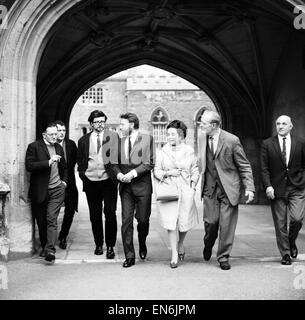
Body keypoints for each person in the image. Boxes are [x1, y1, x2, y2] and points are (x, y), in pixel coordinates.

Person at [199, 110, 255, 270]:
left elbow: (244, 165)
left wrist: (249, 188)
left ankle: (223, 257)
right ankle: (208, 244)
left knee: (226, 226)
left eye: (204, 123)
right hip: (210, 189)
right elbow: (202, 161)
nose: (201, 125)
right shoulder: (202, 137)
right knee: (211, 223)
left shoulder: (232, 140)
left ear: (214, 125)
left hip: (228, 189)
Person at [154, 120, 199, 268]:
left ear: (181, 136)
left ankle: (180, 243)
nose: (169, 137)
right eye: (168, 134)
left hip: (185, 189)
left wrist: (193, 184)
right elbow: (157, 171)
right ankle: (174, 252)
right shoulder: (162, 151)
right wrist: (168, 173)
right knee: (171, 222)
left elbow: (195, 169)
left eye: (172, 134)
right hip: (169, 189)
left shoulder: (189, 151)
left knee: (184, 221)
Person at [261, 115, 305, 265]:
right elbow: (264, 168)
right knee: (280, 224)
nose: (280, 126)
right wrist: (268, 186)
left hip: (297, 187)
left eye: (284, 124)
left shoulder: (300, 143)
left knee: (297, 219)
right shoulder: (267, 144)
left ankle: (291, 242)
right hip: (276, 188)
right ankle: (285, 254)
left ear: (291, 126)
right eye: (278, 124)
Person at [112, 113, 155, 268]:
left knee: (143, 221)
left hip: (143, 186)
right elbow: (113, 163)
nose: (120, 127)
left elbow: (149, 163)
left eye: (122, 124)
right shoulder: (118, 141)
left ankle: (142, 242)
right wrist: (119, 174)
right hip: (125, 188)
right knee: (126, 222)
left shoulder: (147, 139)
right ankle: (129, 255)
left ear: (131, 124)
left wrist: (131, 174)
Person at [77, 110, 118, 259]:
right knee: (95, 215)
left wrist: (116, 176)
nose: (100, 124)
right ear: (91, 124)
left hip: (109, 181)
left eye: (102, 121)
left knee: (110, 212)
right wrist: (83, 175)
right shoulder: (83, 140)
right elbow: (80, 160)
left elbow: (118, 157)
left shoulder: (113, 137)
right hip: (91, 181)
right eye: (97, 122)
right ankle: (99, 244)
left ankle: (111, 246)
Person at [25, 122, 67, 263]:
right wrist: (48, 162)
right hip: (40, 190)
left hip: (57, 190)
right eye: (52, 134)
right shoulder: (34, 147)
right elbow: (29, 166)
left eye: (56, 134)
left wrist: (64, 183)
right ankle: (45, 246)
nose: (55, 136)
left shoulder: (59, 148)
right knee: (42, 221)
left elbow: (65, 168)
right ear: (44, 135)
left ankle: (50, 250)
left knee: (51, 218)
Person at [55, 121, 78, 250]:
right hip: (53, 182)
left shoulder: (71, 144)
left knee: (70, 210)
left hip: (70, 182)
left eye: (63, 130)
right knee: (53, 212)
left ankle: (63, 236)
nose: (62, 133)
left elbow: (74, 161)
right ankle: (49, 239)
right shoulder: (50, 145)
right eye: (59, 130)